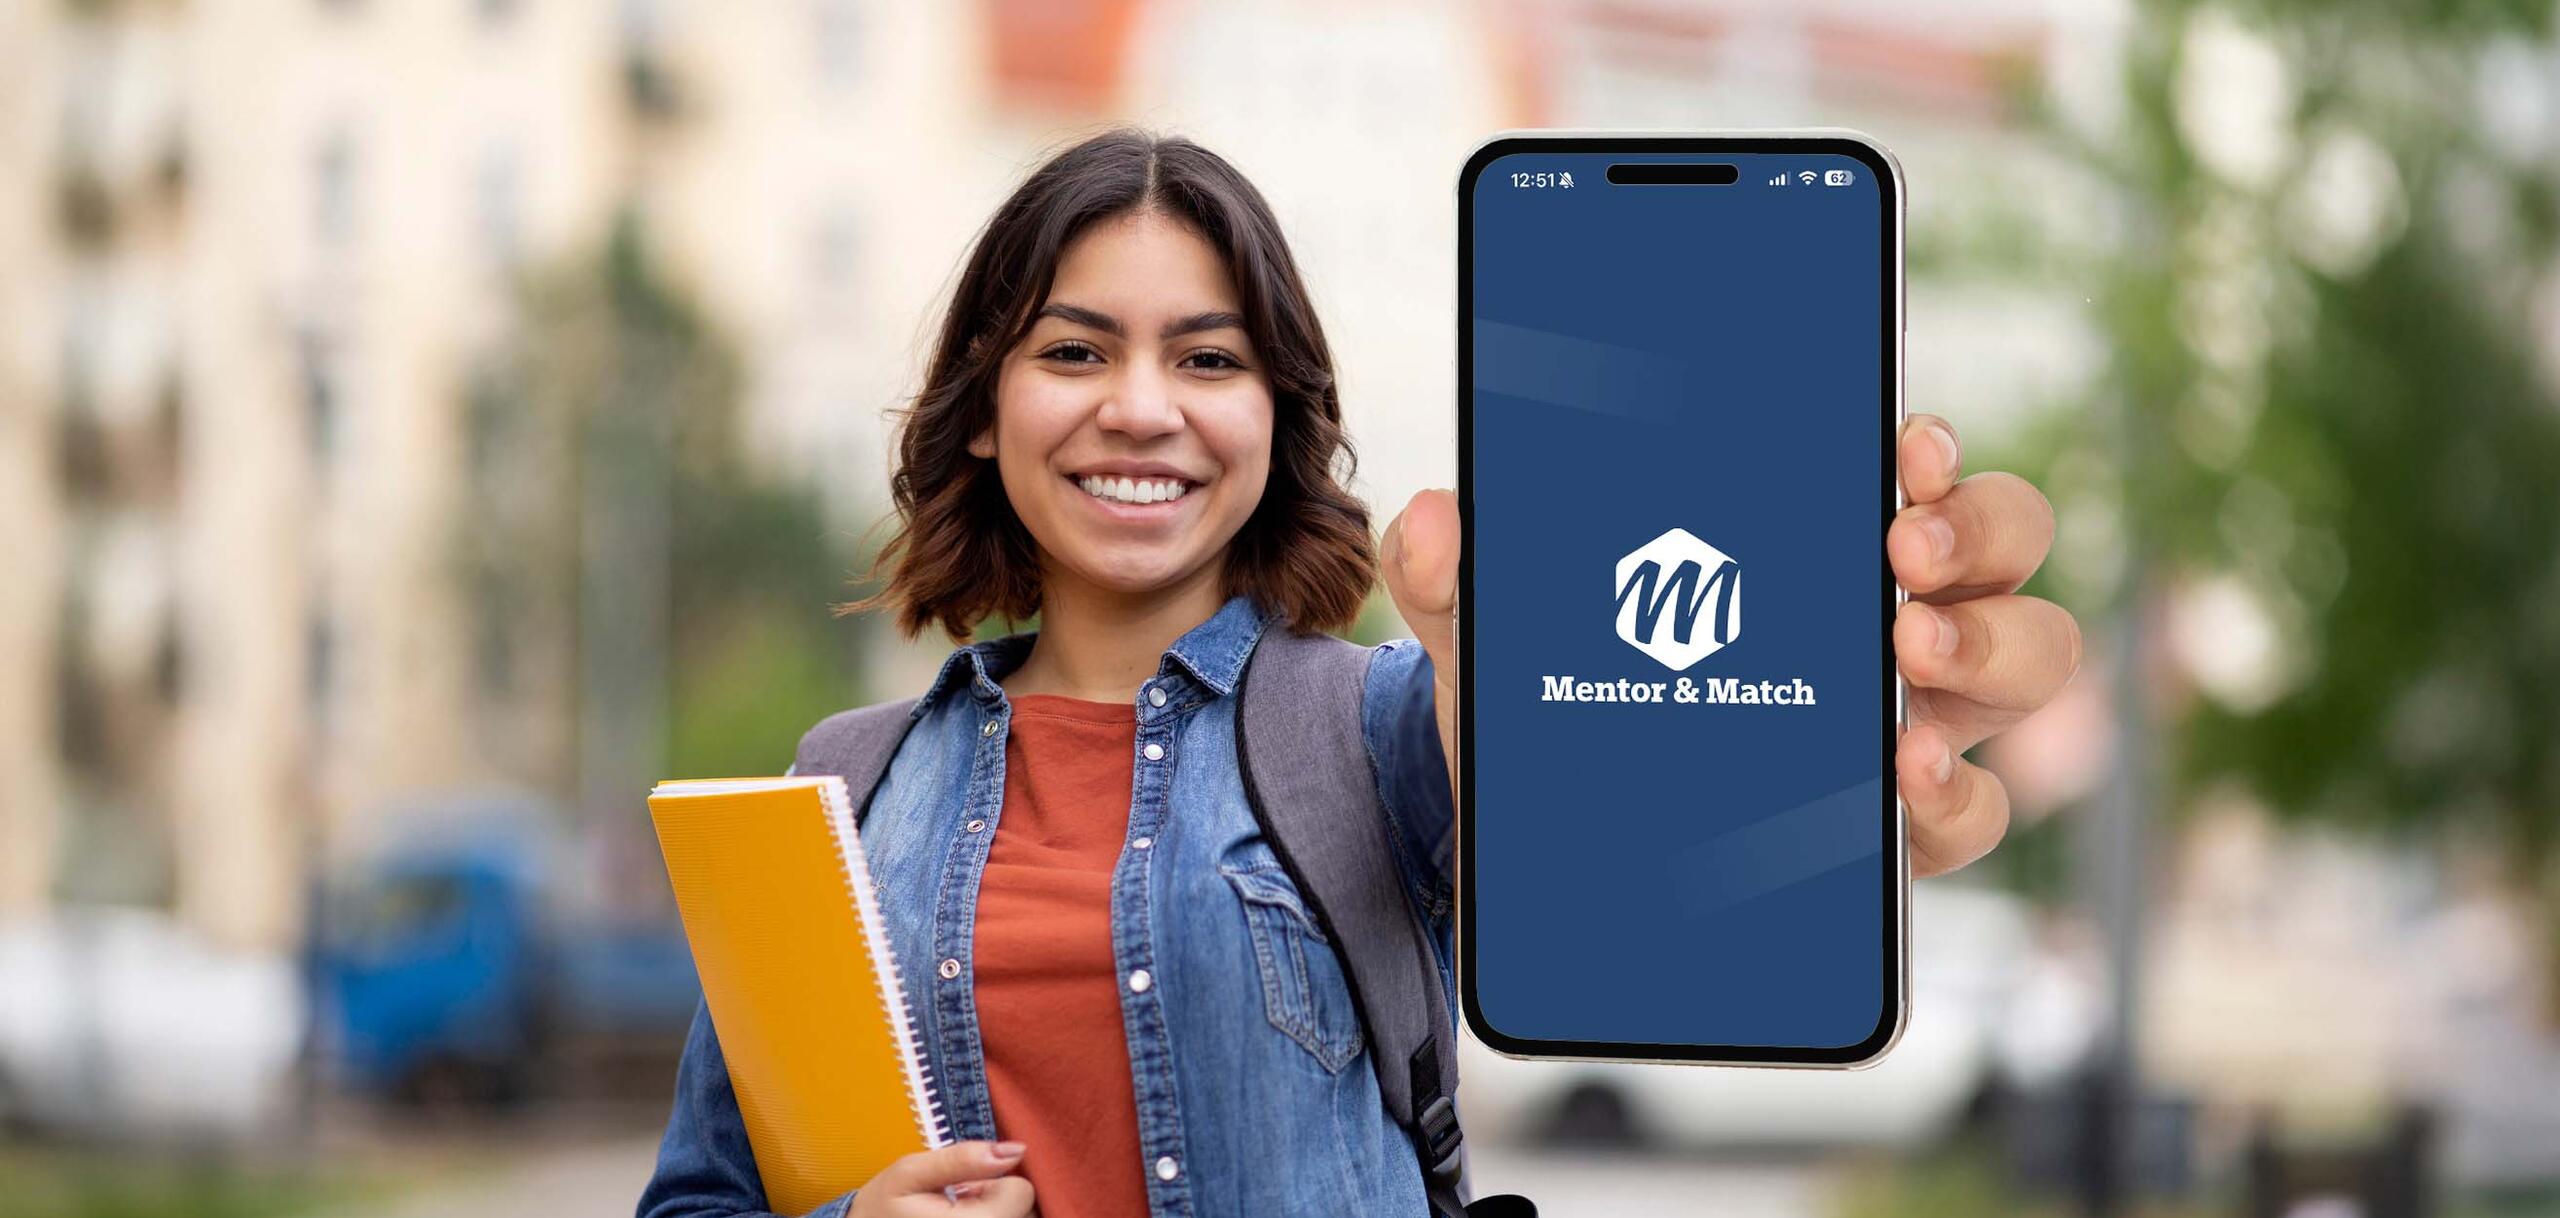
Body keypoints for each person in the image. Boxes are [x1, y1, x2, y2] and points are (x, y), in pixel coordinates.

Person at [634, 126, 2081, 1218]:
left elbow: (1648, 819)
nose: (1141, 409)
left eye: (1209, 361)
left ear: (1279, 419)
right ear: (980, 412)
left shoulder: (1382, 727)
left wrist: (1862, 707)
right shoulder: (843, 780)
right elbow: (697, 1197)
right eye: (1075, 350)